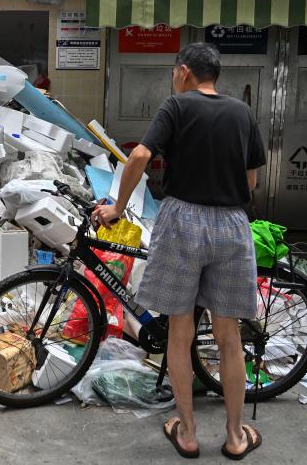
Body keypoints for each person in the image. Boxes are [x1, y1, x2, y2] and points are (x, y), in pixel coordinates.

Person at [92, 43, 266, 461]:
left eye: (175, 72)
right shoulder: (242, 113)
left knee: (181, 331)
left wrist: (117, 207)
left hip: (181, 220)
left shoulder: (177, 106)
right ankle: (235, 436)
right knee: (228, 336)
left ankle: (187, 433)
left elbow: (139, 155)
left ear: (184, 72)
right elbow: (253, 181)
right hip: (229, 224)